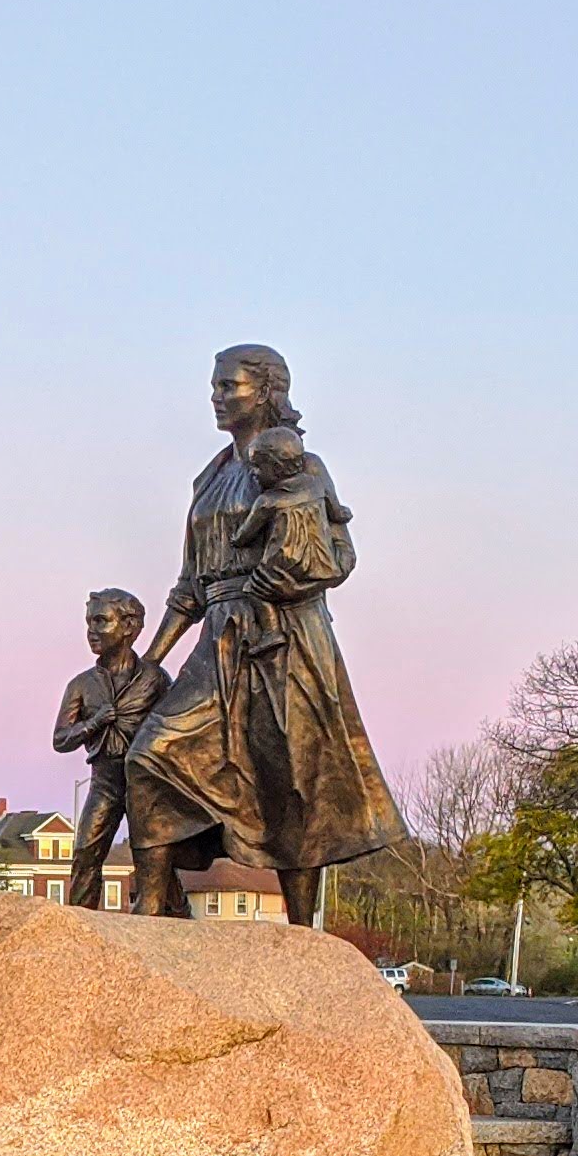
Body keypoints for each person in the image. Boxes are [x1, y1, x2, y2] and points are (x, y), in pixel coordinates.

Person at [121, 344, 403, 921]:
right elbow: (189, 584)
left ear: (269, 390)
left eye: (231, 386)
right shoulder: (211, 477)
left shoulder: (303, 465)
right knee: (152, 753)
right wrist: (151, 660)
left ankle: (304, 930)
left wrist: (293, 576)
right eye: (215, 386)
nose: (218, 397)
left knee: (293, 778)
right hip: (219, 638)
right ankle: (152, 908)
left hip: (287, 636)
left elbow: (341, 555)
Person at [50, 588, 162, 911]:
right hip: (105, 782)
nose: (91, 632)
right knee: (86, 853)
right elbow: (60, 739)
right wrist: (94, 723)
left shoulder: (153, 680)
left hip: (146, 785)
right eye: (88, 623)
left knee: (154, 865)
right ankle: (80, 933)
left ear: (128, 627)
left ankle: (177, 926)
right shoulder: (81, 685)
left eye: (101, 622)